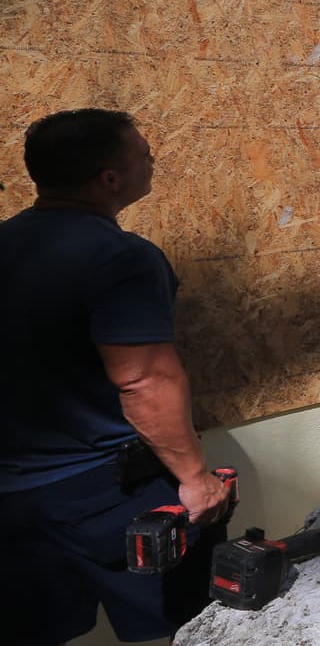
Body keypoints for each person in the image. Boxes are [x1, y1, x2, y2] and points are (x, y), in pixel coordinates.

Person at [0, 108, 232, 646]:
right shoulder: (120, 257)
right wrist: (196, 480)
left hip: (14, 499)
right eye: (144, 154)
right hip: (106, 494)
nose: (153, 160)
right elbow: (145, 380)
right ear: (111, 178)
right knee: (184, 628)